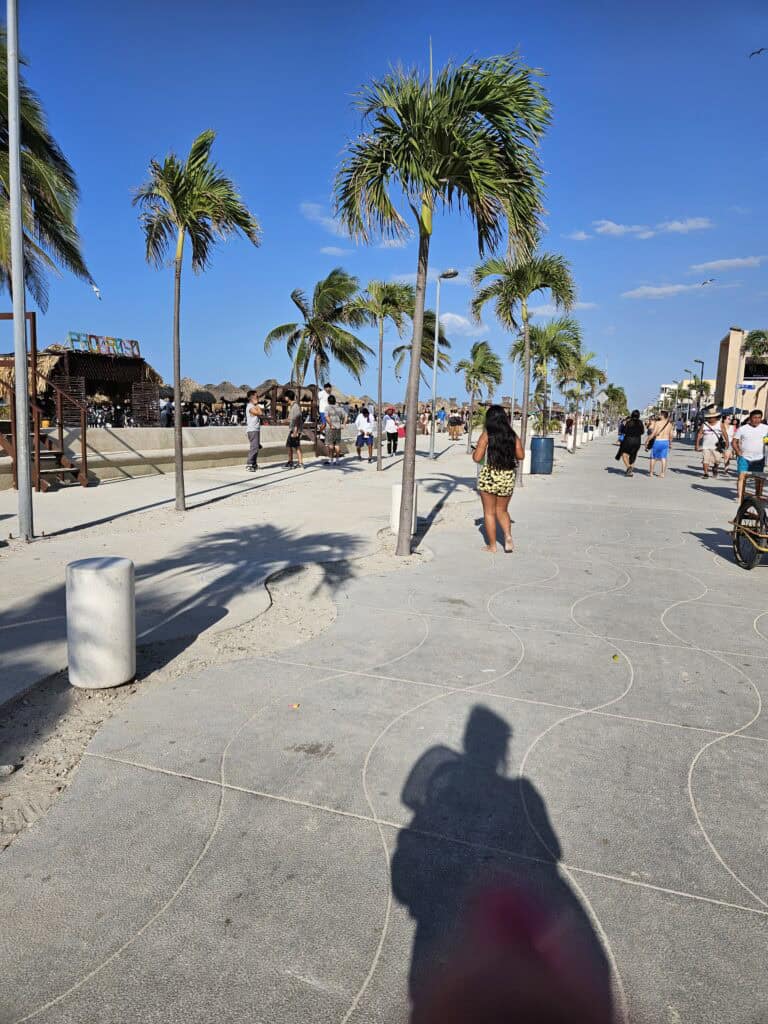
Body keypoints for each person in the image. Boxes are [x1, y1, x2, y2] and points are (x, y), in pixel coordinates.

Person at [472, 404, 525, 553]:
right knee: (502, 510)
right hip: (507, 476)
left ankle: (492, 546)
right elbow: (521, 456)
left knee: (489, 512)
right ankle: (507, 537)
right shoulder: (512, 435)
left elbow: (477, 458)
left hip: (490, 475)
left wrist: (478, 449)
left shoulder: (487, 434)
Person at [733, 408, 768, 501]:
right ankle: (740, 497)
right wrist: (737, 451)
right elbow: (734, 442)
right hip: (744, 457)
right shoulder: (743, 429)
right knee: (741, 477)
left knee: (758, 479)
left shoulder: (765, 428)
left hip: (759, 458)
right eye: (754, 417)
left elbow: (766, 440)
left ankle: (758, 496)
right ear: (750, 418)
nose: (757, 420)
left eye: (759, 418)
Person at [695, 411, 725, 479]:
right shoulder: (704, 425)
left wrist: (727, 443)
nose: (709, 419)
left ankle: (715, 468)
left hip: (717, 447)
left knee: (717, 460)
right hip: (706, 446)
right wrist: (697, 445)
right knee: (705, 460)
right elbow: (699, 434)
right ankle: (706, 473)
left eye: (711, 417)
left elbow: (724, 433)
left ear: (715, 418)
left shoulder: (720, 424)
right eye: (708, 418)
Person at [614, 408, 643, 476]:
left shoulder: (629, 422)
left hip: (628, 441)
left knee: (624, 454)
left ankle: (629, 467)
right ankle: (630, 471)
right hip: (637, 441)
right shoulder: (640, 422)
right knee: (633, 456)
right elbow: (642, 432)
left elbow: (624, 431)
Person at [646, 410, 673, 478]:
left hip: (658, 441)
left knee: (653, 457)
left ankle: (651, 473)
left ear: (663, 416)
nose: (659, 416)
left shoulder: (657, 423)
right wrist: (670, 443)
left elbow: (653, 433)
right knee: (663, 458)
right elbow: (671, 435)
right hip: (665, 441)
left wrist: (647, 440)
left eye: (660, 415)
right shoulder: (670, 424)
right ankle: (662, 473)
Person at [284, 389, 304, 469]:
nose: (284, 398)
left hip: (295, 430)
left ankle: (300, 463)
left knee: (296, 447)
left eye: (285, 397)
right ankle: (291, 461)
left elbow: (297, 419)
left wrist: (295, 431)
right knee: (290, 446)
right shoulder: (293, 406)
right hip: (293, 429)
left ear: (288, 397)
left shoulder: (295, 406)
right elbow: (291, 419)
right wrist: (283, 420)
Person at [323, 394, 346, 464]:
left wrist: (330, 425)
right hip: (338, 428)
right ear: (335, 401)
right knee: (337, 445)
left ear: (328, 401)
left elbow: (327, 417)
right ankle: (338, 460)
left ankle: (331, 460)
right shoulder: (340, 408)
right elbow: (346, 416)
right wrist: (344, 424)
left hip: (330, 428)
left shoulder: (327, 408)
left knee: (330, 444)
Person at [244, 389, 262, 472]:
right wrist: (257, 405)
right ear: (252, 397)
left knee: (256, 447)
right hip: (252, 429)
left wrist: (256, 405)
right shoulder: (250, 406)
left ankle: (254, 463)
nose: (258, 397)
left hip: (255, 429)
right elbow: (260, 413)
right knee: (254, 447)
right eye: (256, 396)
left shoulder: (253, 406)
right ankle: (249, 464)